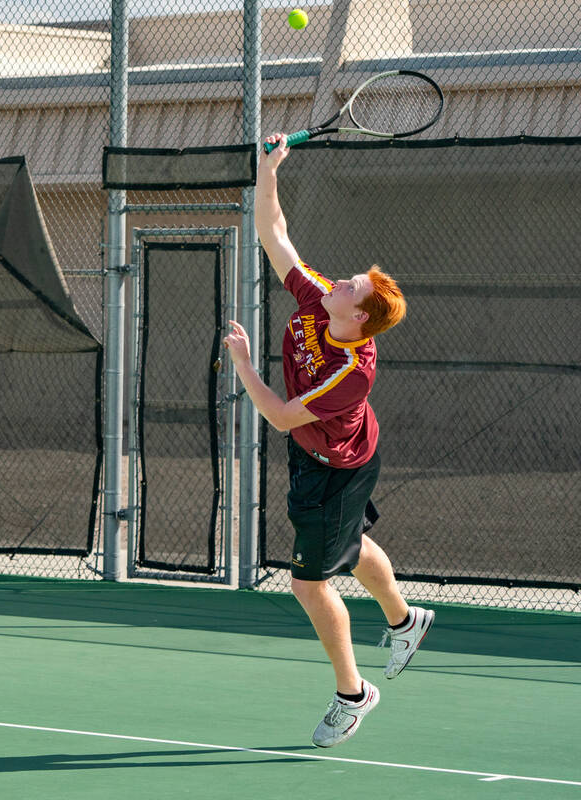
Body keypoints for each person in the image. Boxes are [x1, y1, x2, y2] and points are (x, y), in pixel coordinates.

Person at [223, 132, 434, 748]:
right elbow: (275, 234)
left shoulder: (355, 368)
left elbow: (284, 416)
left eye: (351, 288)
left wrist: (243, 363)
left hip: (337, 462)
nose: (338, 282)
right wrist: (270, 169)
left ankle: (353, 693)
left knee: (309, 583)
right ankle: (404, 619)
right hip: (324, 450)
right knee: (349, 543)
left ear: (359, 317)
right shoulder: (322, 301)